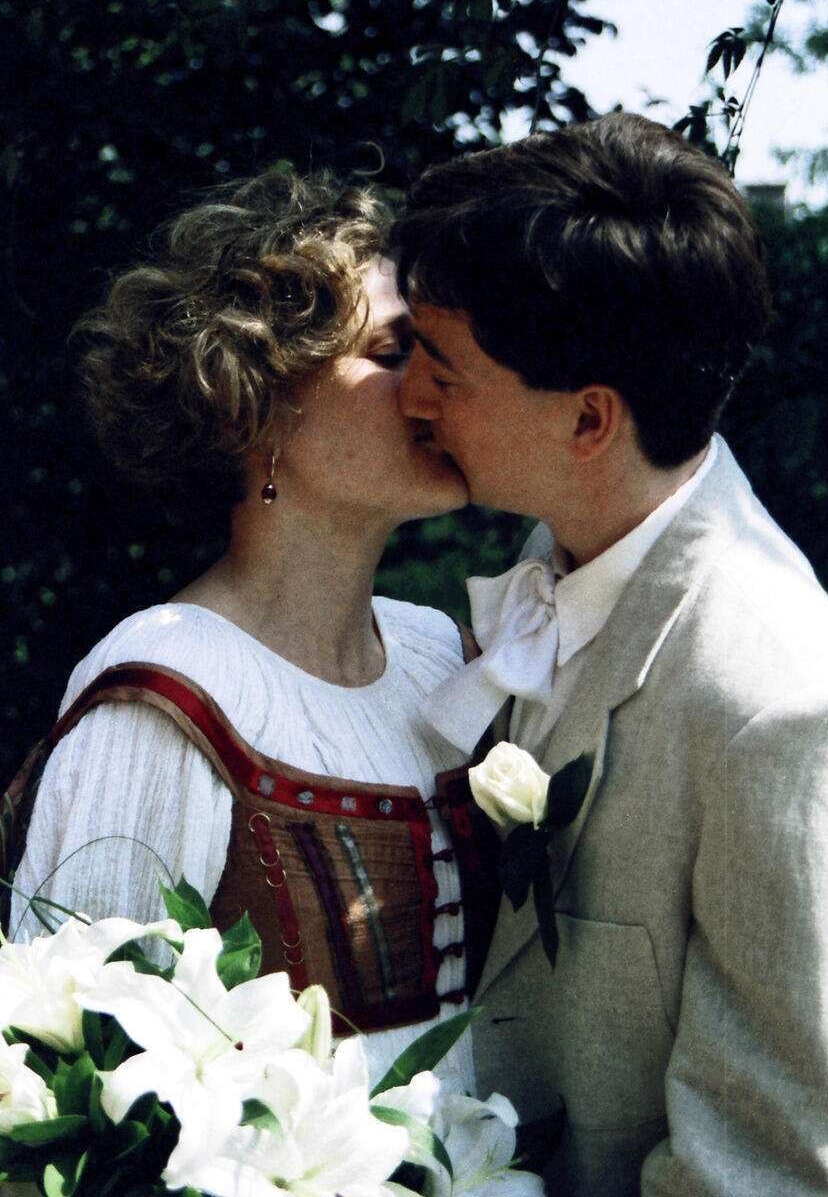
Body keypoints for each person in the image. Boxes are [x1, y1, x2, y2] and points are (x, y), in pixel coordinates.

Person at [392, 112, 828, 1195]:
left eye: (443, 370)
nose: (407, 395)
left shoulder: (779, 701)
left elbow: (772, 1170)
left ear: (589, 422)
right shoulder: (557, 556)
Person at [9, 169, 499, 1091]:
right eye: (393, 352)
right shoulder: (168, 688)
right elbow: (75, 1081)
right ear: (255, 402)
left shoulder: (441, 653)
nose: (438, 386)